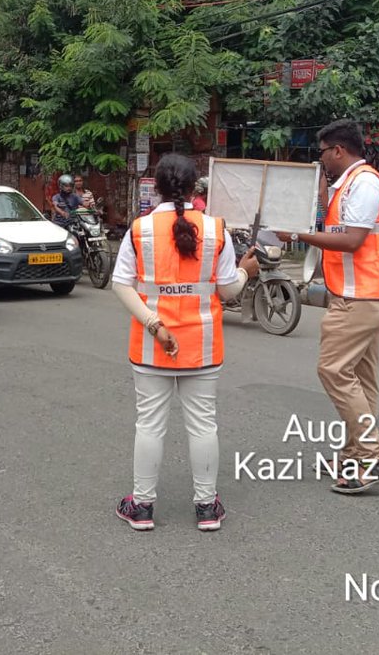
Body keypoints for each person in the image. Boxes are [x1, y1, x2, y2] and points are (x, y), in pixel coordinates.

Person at [111, 153, 259, 532]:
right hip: (202, 345)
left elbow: (121, 283)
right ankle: (207, 508)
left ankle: (141, 507)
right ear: (195, 187)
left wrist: (153, 323)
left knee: (149, 425)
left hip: (150, 346)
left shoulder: (140, 229)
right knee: (203, 425)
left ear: (156, 186)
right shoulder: (215, 230)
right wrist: (246, 270)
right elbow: (227, 291)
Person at [275, 119, 379, 495]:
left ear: (338, 150)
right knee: (361, 379)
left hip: (362, 296)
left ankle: (372, 455)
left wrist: (296, 235)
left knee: (332, 370)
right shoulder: (351, 184)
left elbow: (351, 240)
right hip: (369, 292)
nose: (322, 161)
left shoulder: (363, 184)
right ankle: (354, 454)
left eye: (323, 153)